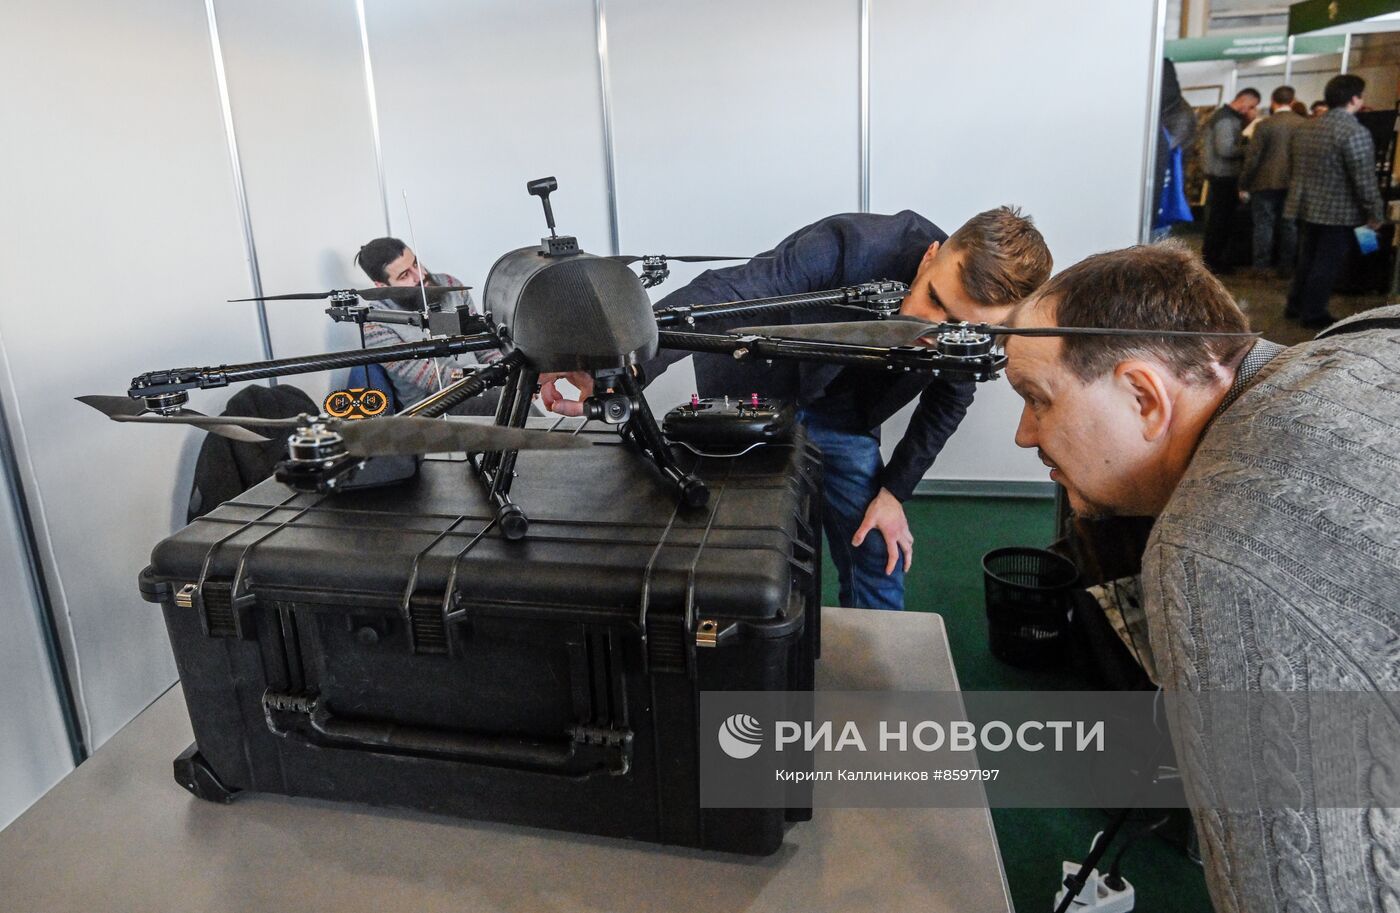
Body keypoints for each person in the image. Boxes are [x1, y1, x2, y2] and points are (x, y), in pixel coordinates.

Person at [1003, 241, 1399, 913]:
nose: (1024, 433)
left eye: (1037, 399)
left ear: (1144, 396)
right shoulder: (1365, 338)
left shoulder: (1218, 546)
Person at [541, 209, 1052, 611]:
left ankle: (876, 689)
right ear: (929, 257)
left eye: (957, 326)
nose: (933, 330)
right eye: (934, 300)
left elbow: (950, 398)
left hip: (847, 416)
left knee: (878, 549)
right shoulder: (848, 244)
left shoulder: (976, 333)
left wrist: (894, 493)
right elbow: (729, 292)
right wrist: (624, 361)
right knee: (743, 552)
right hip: (755, 391)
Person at [1284, 74, 1384, 328]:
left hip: (1306, 206)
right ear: (1354, 99)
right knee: (1327, 263)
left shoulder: (1307, 128)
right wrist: (1375, 213)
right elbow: (1363, 179)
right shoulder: (1355, 132)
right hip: (1339, 210)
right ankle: (1314, 312)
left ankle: (1295, 304)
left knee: (1307, 259)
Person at [354, 237, 500, 409]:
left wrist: (503, 368)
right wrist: (492, 378)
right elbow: (435, 379)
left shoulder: (450, 284)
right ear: (381, 286)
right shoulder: (375, 324)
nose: (421, 275)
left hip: (483, 382)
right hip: (434, 405)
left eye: (416, 264)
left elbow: (483, 343)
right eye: (404, 275)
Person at [1241, 85, 1304, 276]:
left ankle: (1261, 267)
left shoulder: (1264, 125)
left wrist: (1244, 183)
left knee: (1263, 225)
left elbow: (1253, 157)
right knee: (1289, 226)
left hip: (1264, 182)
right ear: (1292, 101)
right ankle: (1286, 267)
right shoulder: (1303, 124)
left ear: (1272, 101)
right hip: (1293, 183)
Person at [1201, 88, 1260, 273]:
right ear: (1243, 100)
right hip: (1223, 175)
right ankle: (1213, 261)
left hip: (1221, 174)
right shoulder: (1226, 119)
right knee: (1220, 222)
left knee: (1219, 221)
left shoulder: (1225, 117)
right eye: (1251, 106)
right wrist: (1250, 148)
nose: (1250, 110)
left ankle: (1213, 259)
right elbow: (1225, 149)